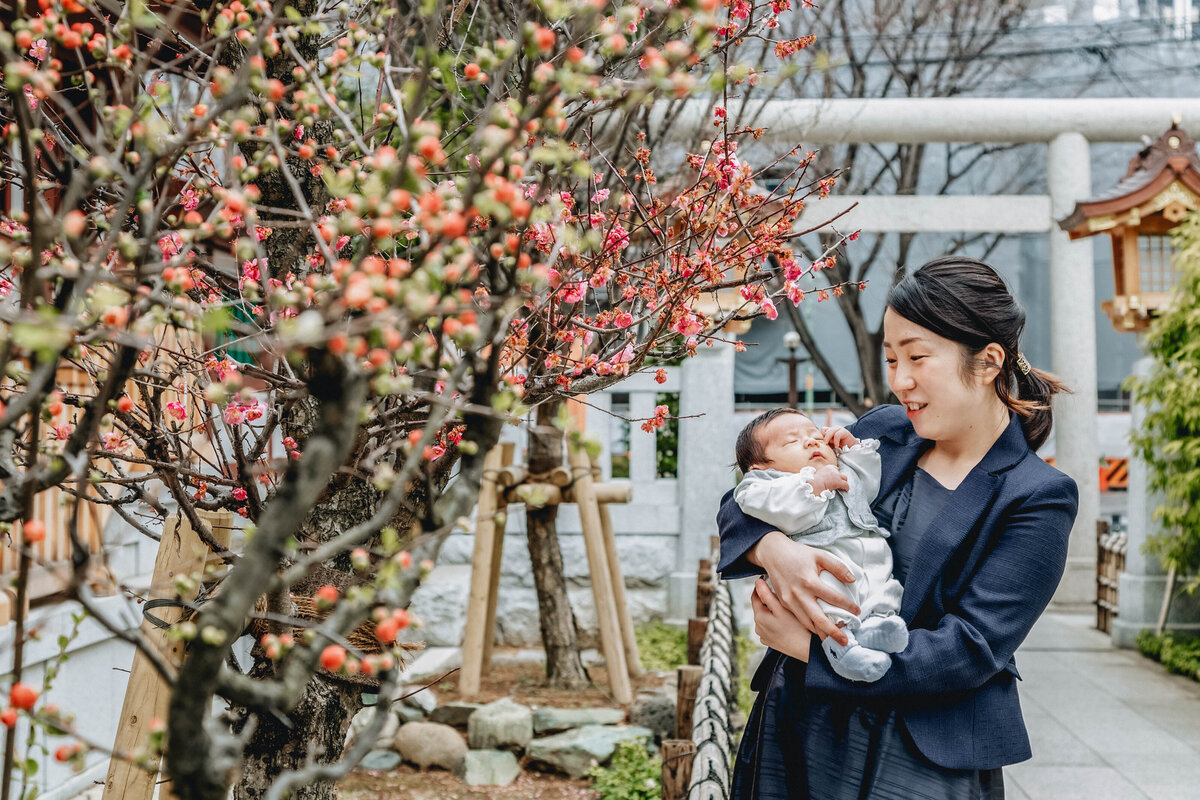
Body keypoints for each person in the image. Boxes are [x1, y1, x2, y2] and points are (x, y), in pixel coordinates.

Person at [717, 255, 1079, 800]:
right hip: (803, 715)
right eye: (891, 359)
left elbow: (972, 647)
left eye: (917, 357)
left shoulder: (1036, 495)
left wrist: (817, 655)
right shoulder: (885, 434)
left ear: (987, 362)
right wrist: (774, 552)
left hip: (922, 750)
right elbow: (744, 497)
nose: (900, 381)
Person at [732, 409, 907, 682]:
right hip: (818, 555)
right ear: (761, 467)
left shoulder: (840, 468)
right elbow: (755, 504)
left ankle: (875, 627)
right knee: (830, 593)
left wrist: (853, 451)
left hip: (868, 548)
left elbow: (870, 486)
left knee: (883, 587)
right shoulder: (769, 483)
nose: (812, 442)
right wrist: (813, 487)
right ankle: (841, 646)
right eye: (792, 442)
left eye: (816, 435)